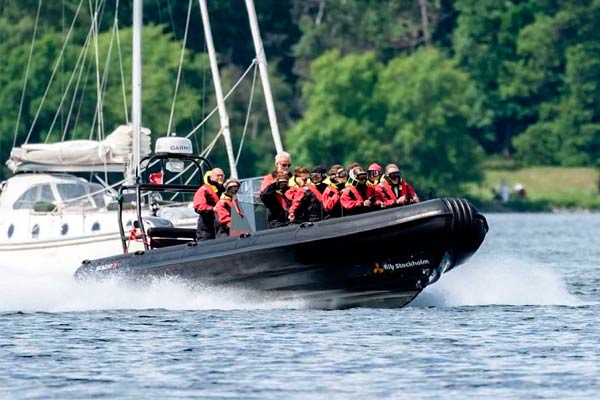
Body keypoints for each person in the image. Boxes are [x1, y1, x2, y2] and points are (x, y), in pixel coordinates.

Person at [193, 167, 225, 241]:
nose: (220, 177)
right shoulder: (204, 190)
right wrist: (213, 209)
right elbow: (199, 206)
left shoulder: (225, 191)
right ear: (211, 177)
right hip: (206, 228)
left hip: (221, 228)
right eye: (218, 175)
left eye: (222, 176)